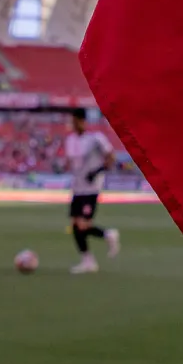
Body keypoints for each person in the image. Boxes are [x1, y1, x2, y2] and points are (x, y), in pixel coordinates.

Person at [65, 112, 120, 274]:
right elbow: (72, 162)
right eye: (72, 122)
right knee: (75, 225)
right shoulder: (70, 140)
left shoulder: (95, 139)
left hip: (91, 189)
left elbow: (111, 157)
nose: (74, 125)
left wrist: (97, 171)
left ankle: (108, 235)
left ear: (83, 121)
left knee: (83, 224)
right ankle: (88, 261)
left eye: (76, 121)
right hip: (77, 188)